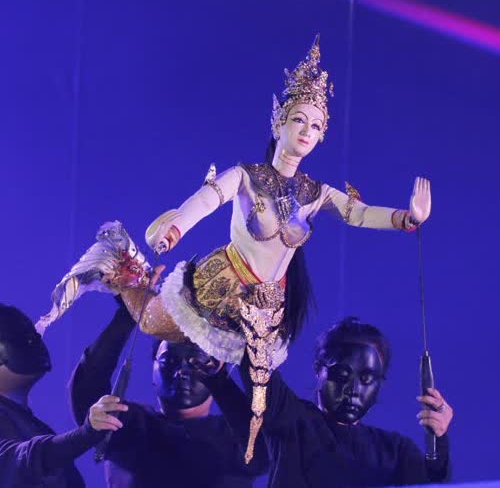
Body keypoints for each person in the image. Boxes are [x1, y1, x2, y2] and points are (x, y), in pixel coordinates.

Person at [39, 34, 432, 460]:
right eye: (299, 120)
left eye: (316, 126)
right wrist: (176, 229)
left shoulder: (315, 193)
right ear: (279, 123)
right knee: (151, 324)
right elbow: (206, 200)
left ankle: (247, 449)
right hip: (222, 285)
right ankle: (122, 271)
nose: (307, 131)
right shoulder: (246, 176)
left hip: (264, 305)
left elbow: (359, 213)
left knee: (259, 393)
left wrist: (406, 218)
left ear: (322, 137)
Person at [69, 295, 268, 488]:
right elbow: (88, 385)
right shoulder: (127, 424)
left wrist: (228, 372)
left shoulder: (237, 436)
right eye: (169, 360)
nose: (181, 370)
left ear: (218, 366)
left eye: (197, 360)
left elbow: (267, 448)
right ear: (153, 367)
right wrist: (128, 313)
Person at [240, 317, 452, 487]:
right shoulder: (292, 422)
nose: (353, 390)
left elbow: (433, 482)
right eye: (342, 374)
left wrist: (438, 440)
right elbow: (256, 363)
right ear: (319, 370)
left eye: (367, 379)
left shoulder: (395, 451)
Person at [0, 303, 126, 487]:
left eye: (34, 335)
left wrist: (125, 318)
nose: (35, 341)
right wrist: (85, 433)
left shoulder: (23, 419)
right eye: (20, 338)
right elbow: (22, 459)